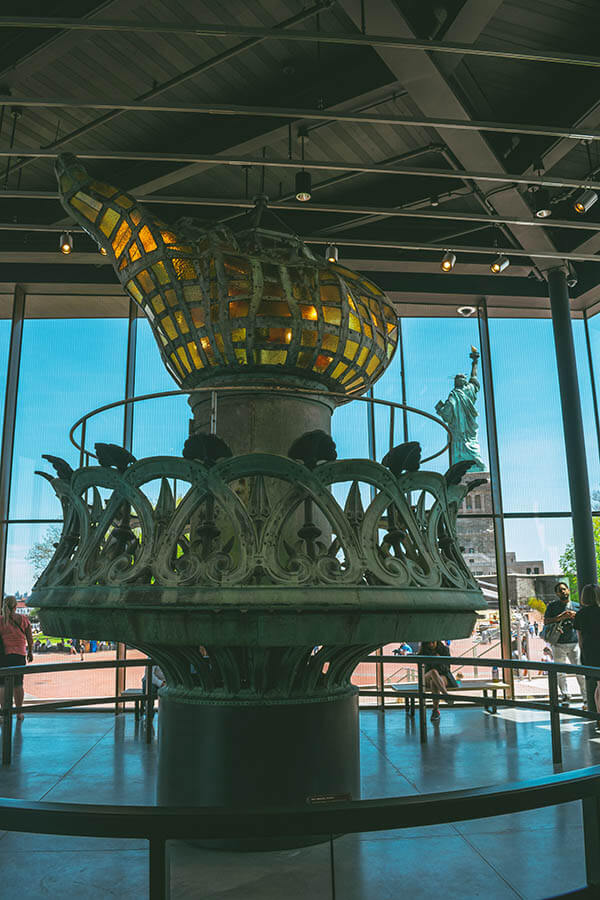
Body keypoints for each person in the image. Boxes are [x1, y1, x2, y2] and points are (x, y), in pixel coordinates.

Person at [544, 581, 586, 704]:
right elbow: (546, 621)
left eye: (564, 589)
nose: (563, 592)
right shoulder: (552, 607)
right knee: (560, 672)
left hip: (574, 642)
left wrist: (575, 616)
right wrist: (560, 617)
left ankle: (586, 698)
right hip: (558, 643)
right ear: (556, 594)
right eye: (560, 590)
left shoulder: (577, 606)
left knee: (580, 672)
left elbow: (584, 621)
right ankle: (565, 695)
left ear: (568, 590)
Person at [0, 595, 34, 721]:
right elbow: (30, 639)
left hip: (4, 657)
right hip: (19, 655)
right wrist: (30, 652)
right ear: (15, 606)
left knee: (2, 685)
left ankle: (4, 714)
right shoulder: (23, 619)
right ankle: (19, 713)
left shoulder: (1, 620)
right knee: (18, 684)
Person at [573, 584, 600, 719]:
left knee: (598, 686)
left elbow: (580, 639)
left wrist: (584, 656)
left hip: (589, 653)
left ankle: (598, 717)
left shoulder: (580, 614)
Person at [418, 640, 458, 722]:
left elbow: (447, 668)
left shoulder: (444, 650)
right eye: (428, 643)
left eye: (433, 642)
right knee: (433, 672)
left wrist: (439, 661)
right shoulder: (423, 652)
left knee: (434, 682)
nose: (431, 644)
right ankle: (445, 695)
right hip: (427, 676)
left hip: (442, 675)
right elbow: (423, 669)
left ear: (437, 641)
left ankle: (435, 711)